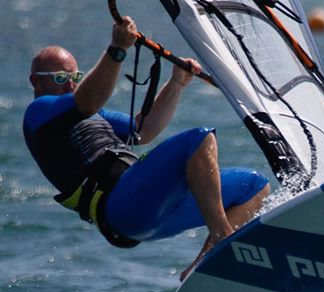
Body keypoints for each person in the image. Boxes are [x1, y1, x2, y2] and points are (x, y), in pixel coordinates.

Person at [23, 16, 270, 277]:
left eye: (76, 76)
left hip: (151, 208)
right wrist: (117, 49)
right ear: (36, 82)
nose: (71, 84)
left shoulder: (95, 115)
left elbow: (143, 130)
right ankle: (223, 240)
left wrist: (176, 83)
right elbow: (88, 99)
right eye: (61, 77)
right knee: (199, 139)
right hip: (121, 207)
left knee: (253, 187)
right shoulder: (39, 112)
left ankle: (204, 266)